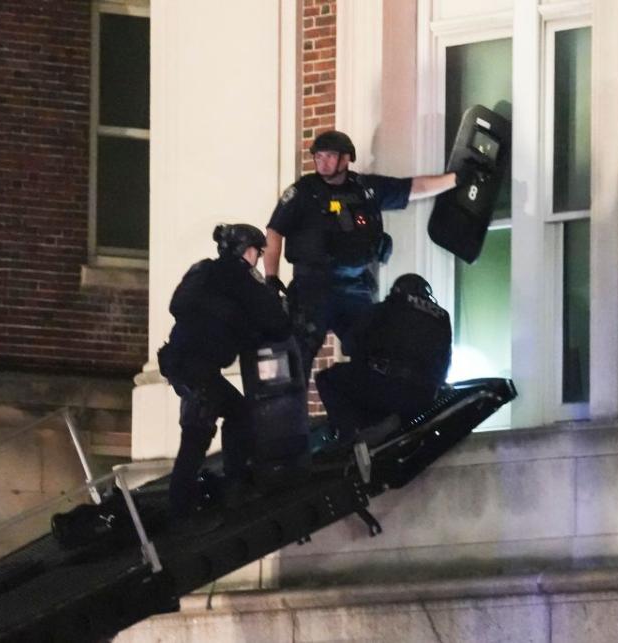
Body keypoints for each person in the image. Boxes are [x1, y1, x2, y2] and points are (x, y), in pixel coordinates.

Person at [263, 129, 457, 376]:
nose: (322, 163)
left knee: (375, 352)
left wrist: (456, 180)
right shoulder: (302, 192)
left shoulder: (365, 189)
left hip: (355, 286)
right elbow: (274, 231)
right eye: (318, 157)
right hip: (312, 287)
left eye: (330, 156)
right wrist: (271, 277)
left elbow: (414, 187)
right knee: (297, 359)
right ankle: (291, 414)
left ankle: (369, 411)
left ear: (346, 159)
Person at [157, 223, 290, 518]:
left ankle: (223, 486)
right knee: (196, 437)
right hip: (199, 368)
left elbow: (177, 305)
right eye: (257, 252)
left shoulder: (203, 271)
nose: (257, 259)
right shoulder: (241, 280)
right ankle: (186, 508)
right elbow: (278, 325)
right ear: (248, 251)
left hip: (181, 361)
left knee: (237, 413)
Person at [315, 273, 452, 445]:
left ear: (396, 290)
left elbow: (349, 346)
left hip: (387, 387)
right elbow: (444, 368)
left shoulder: (387, 307)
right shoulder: (442, 318)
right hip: (424, 398)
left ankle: (349, 440)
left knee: (327, 379)